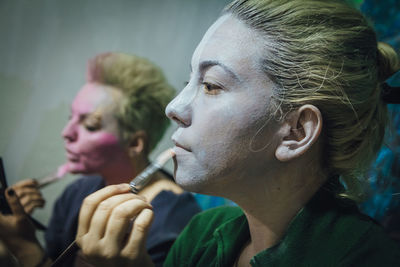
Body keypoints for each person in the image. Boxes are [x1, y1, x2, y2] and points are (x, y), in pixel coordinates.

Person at [72, 0, 400, 266]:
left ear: (296, 132)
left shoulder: (366, 258)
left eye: (211, 85)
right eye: (189, 82)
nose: (173, 108)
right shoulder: (201, 234)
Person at [0, 52, 201, 267]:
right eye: (71, 118)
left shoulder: (175, 221)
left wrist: (24, 247)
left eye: (90, 126)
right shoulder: (77, 192)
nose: (66, 133)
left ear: (135, 143)